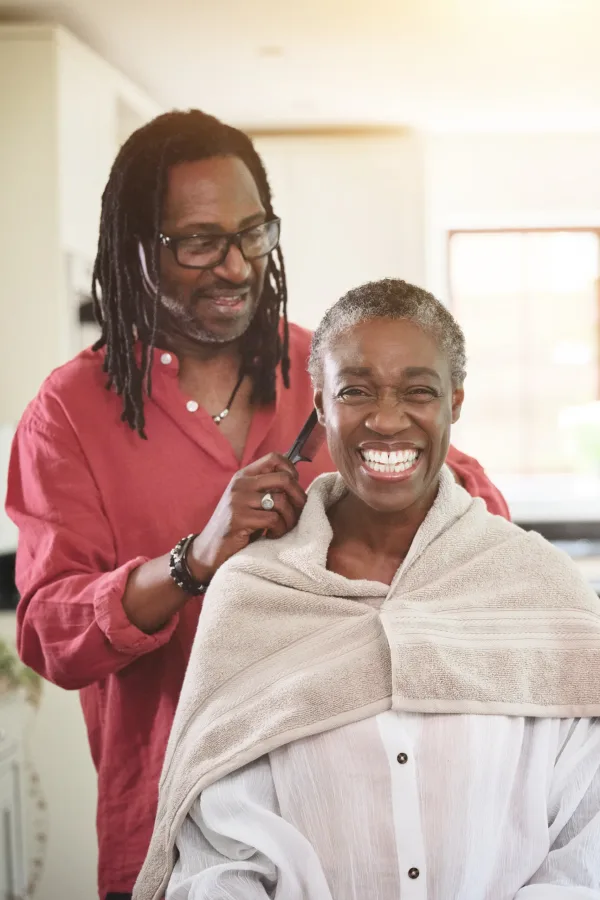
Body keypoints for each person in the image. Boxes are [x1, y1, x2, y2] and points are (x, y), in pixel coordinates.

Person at [5, 113, 507, 900]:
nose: (236, 265)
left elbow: (478, 503)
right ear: (138, 247)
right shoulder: (69, 414)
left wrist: (388, 504)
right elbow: (48, 637)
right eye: (199, 242)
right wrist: (193, 559)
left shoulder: (333, 369)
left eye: (253, 234)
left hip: (356, 831)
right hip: (175, 832)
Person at [135, 279, 600, 900]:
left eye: (418, 391)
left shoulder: (538, 586)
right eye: (355, 391)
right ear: (322, 405)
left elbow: (587, 831)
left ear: (454, 402)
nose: (386, 419)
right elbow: (219, 854)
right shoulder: (252, 593)